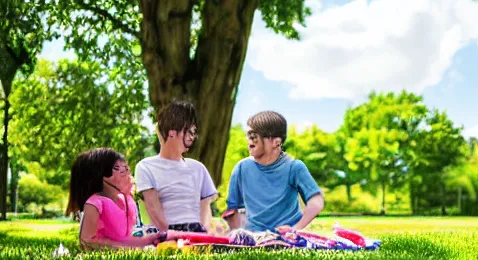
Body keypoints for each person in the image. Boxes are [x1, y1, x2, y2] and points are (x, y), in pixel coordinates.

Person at [225, 111, 324, 233]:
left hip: (286, 236)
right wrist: (239, 235)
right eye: (248, 136)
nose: (249, 141)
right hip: (254, 236)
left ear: (276, 142)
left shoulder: (294, 167)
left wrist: (296, 229)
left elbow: (317, 201)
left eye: (254, 136)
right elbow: (233, 210)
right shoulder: (241, 168)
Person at [135, 100, 218, 235]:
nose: (192, 137)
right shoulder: (146, 167)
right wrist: (174, 236)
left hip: (196, 232)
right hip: (167, 233)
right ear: (171, 132)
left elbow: (205, 211)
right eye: (188, 132)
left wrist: (201, 237)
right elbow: (154, 211)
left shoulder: (198, 168)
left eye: (193, 132)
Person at [66, 148, 160, 249]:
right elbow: (87, 240)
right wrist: (121, 247)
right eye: (117, 168)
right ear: (102, 177)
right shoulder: (95, 203)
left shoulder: (126, 200)